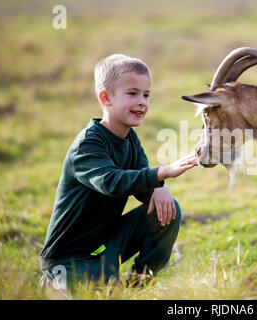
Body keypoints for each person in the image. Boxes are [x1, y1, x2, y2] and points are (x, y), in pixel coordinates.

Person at [39, 54, 197, 292]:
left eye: (146, 95)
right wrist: (163, 173)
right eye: (132, 93)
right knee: (94, 290)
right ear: (106, 98)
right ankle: (52, 284)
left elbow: (144, 183)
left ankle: (138, 285)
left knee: (168, 211)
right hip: (68, 258)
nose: (142, 101)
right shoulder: (89, 144)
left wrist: (160, 188)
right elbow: (112, 182)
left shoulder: (130, 139)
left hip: (106, 246)